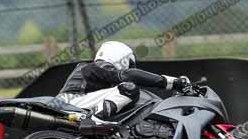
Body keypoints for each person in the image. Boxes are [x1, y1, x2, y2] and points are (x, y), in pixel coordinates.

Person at [57, 41, 191, 123]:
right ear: (122, 57)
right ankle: (95, 121)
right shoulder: (98, 66)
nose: (130, 67)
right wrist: (173, 82)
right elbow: (130, 75)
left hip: (73, 106)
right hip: (71, 104)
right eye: (129, 64)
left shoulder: (98, 75)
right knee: (128, 88)